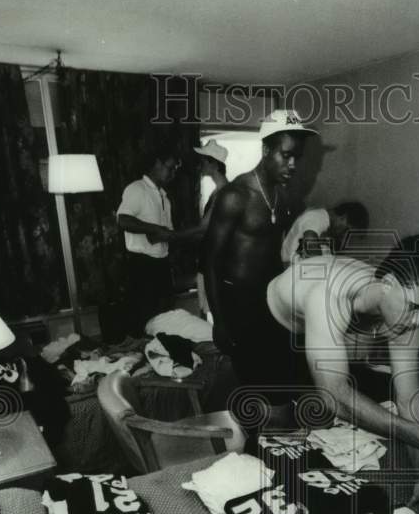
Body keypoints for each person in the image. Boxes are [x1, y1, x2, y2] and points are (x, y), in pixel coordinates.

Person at [257, 254, 419, 479]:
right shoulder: (328, 295)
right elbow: (333, 397)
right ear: (387, 284)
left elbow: (408, 399)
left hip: (312, 325)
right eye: (413, 307)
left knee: (320, 419)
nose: (417, 321)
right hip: (270, 318)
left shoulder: (407, 315)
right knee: (278, 423)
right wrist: (416, 434)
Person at [203, 109, 318, 375]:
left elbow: (277, 248)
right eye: (286, 155)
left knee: (283, 377)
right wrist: (219, 322)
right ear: (266, 149)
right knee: (252, 383)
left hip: (271, 298)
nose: (293, 165)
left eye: (297, 158)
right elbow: (210, 262)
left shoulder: (286, 197)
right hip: (238, 302)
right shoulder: (235, 196)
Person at [116, 145, 190, 335]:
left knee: (164, 319)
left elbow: (168, 233)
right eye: (170, 167)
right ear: (157, 163)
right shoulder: (136, 189)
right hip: (142, 265)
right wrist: (154, 229)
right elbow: (122, 219)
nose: (173, 173)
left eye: (176, 169)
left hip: (161, 265)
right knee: (144, 318)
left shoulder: (165, 196)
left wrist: (179, 236)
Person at [192, 139, 229, 316]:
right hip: (210, 258)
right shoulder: (219, 191)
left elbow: (203, 227)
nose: (200, 164)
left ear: (214, 164)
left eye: (204, 160)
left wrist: (172, 236)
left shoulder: (223, 192)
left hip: (214, 260)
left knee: (212, 310)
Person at [281, 201, 370, 265]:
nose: (343, 235)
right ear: (343, 217)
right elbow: (311, 247)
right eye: (346, 230)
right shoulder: (318, 218)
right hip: (289, 269)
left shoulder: (326, 225)